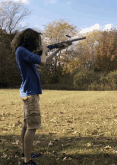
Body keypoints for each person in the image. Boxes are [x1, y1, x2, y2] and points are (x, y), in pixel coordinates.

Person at [10, 28, 69, 165]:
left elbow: (44, 61)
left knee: (26, 124)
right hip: (30, 94)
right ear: (30, 40)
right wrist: (44, 49)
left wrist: (58, 49)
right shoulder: (22, 51)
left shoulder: (23, 52)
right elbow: (42, 61)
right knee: (32, 126)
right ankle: (27, 160)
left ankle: (26, 153)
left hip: (29, 92)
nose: (38, 43)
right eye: (36, 40)